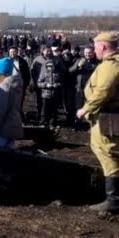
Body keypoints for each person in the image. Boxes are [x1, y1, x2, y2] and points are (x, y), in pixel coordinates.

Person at [76, 32, 119, 213]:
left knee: (108, 152)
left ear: (102, 46)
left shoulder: (111, 65)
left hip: (109, 117)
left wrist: (86, 109)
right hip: (109, 115)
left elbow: (103, 90)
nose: (93, 50)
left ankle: (113, 200)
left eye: (95, 46)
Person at [70, 46, 98, 115]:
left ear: (93, 53)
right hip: (80, 87)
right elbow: (70, 70)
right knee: (79, 105)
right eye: (85, 53)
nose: (87, 54)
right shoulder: (80, 60)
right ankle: (79, 123)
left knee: (91, 105)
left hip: (92, 88)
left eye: (89, 53)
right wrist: (78, 65)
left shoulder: (97, 62)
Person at [8, 46, 31, 117]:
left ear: (17, 52)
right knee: (9, 101)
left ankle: (18, 115)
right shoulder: (6, 61)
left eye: (14, 52)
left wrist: (25, 84)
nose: (12, 53)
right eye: (11, 52)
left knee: (19, 101)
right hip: (8, 85)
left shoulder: (22, 61)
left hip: (20, 85)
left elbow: (27, 74)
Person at [38, 62, 62, 127]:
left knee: (54, 110)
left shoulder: (57, 74)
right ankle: (43, 122)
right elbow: (39, 83)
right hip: (45, 95)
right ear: (46, 67)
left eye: (52, 66)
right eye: (49, 66)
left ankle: (52, 123)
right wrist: (46, 85)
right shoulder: (43, 74)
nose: (50, 68)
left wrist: (56, 85)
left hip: (55, 95)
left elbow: (61, 83)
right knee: (45, 109)